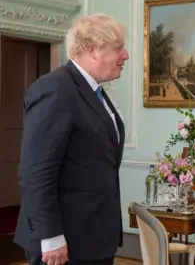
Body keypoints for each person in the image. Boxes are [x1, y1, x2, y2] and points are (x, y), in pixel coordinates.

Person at [14, 13, 129, 265]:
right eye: (119, 48)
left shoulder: (94, 91)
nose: (126, 56)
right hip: (63, 241)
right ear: (92, 50)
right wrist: (51, 236)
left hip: (93, 238)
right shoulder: (55, 90)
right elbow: (36, 173)